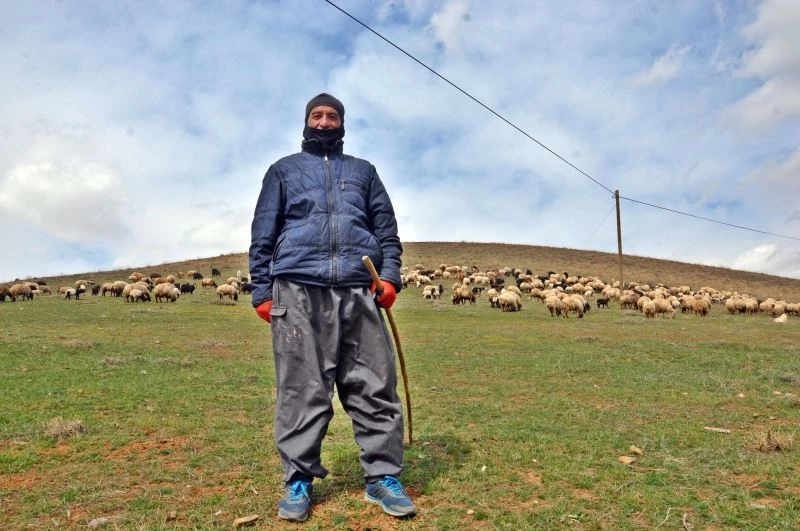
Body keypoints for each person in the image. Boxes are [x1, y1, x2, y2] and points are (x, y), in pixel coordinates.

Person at [249, 93, 415, 522]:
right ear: (306, 121)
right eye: (317, 115)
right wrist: (262, 292)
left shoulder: (363, 172)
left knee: (374, 384)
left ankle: (382, 476)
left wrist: (390, 277)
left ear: (342, 123)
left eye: (332, 116)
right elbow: (263, 234)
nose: (324, 122)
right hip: (298, 287)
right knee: (302, 389)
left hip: (360, 288)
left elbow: (387, 231)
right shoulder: (283, 170)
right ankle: (298, 479)